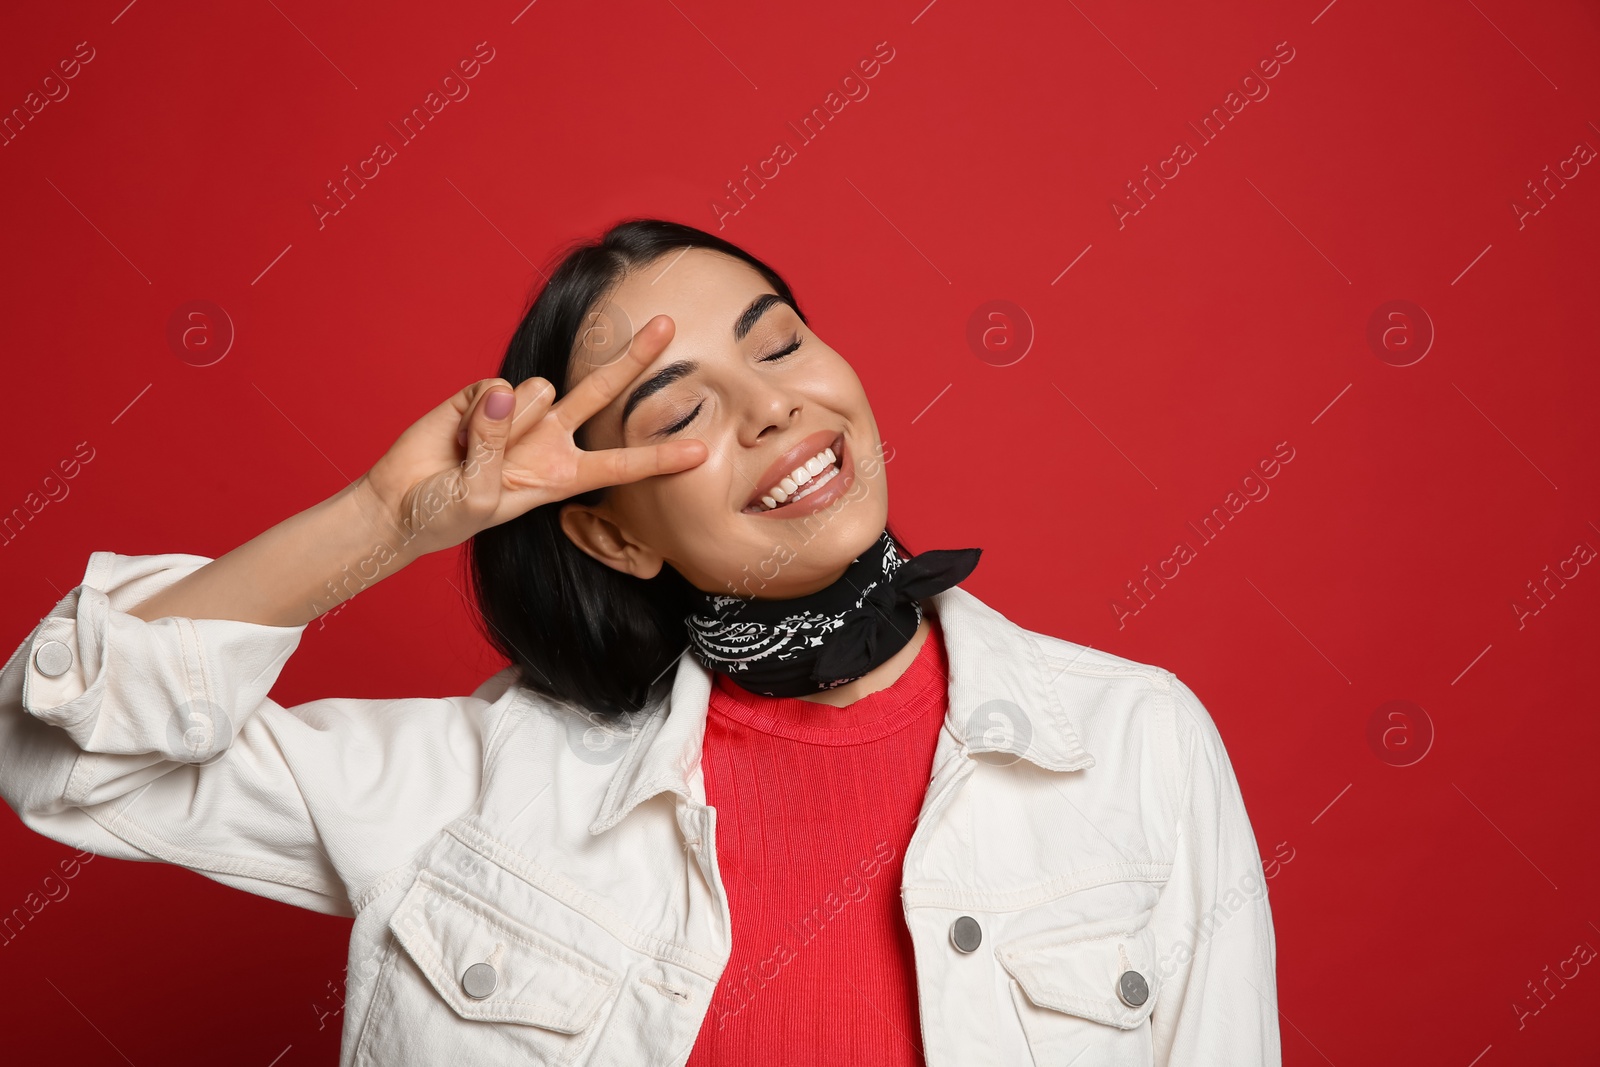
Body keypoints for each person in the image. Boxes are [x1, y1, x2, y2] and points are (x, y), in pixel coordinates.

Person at [0, 219, 1282, 1065]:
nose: (777, 404)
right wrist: (386, 520)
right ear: (615, 537)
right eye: (686, 410)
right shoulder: (482, 786)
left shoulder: (1131, 741)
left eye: (778, 342)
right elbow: (60, 753)